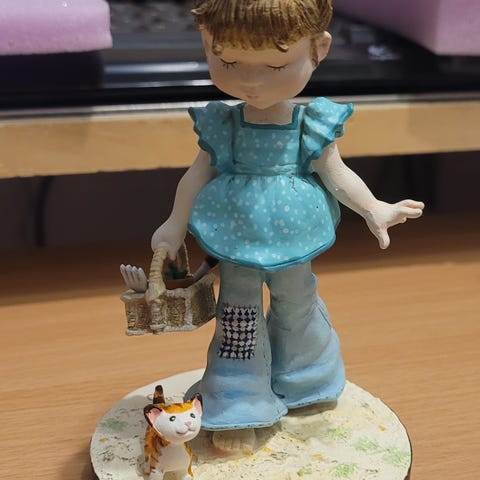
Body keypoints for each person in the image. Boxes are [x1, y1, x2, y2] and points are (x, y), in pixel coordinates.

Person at [151, 0, 424, 453]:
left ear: (319, 49)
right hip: (236, 237)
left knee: (298, 304)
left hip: (295, 236)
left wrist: (373, 208)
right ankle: (237, 402)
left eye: (276, 65)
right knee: (237, 318)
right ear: (206, 44)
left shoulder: (309, 123)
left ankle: (305, 380)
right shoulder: (223, 123)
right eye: (228, 62)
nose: (252, 81)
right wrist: (174, 222)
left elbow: (336, 173)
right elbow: (197, 174)